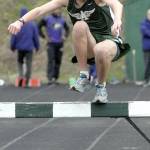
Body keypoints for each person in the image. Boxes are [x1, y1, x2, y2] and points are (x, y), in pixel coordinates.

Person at [8, 0, 125, 103]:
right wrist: (20, 21)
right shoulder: (67, 1)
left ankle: (101, 88)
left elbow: (116, 4)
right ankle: (83, 76)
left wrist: (117, 20)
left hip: (109, 41)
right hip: (90, 43)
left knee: (101, 49)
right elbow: (40, 10)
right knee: (79, 25)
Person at [10, 7, 40, 87]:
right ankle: (26, 81)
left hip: (20, 48)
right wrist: (37, 47)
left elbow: (14, 36)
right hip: (29, 48)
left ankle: (20, 76)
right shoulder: (32, 25)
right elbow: (35, 37)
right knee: (29, 63)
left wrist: (12, 47)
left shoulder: (17, 24)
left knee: (20, 63)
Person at [38, 9, 69, 84]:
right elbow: (38, 26)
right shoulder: (47, 19)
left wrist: (65, 36)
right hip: (51, 43)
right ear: (52, 11)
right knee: (51, 60)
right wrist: (44, 36)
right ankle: (50, 78)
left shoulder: (62, 20)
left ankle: (55, 78)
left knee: (58, 61)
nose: (57, 11)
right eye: (55, 10)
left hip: (60, 43)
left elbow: (67, 29)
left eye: (58, 10)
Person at [140, 9, 150, 87]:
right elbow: (146, 32)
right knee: (147, 64)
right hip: (147, 48)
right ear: (147, 15)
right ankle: (146, 80)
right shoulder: (143, 23)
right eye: (149, 14)